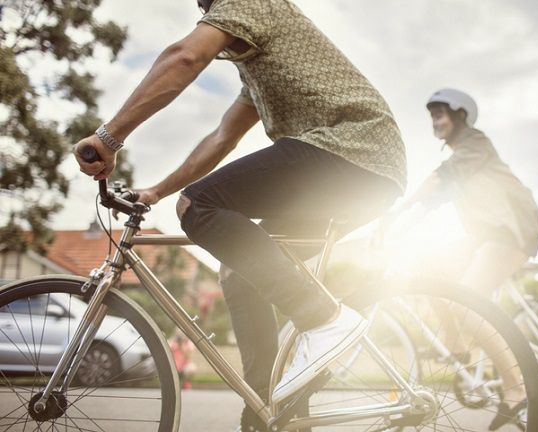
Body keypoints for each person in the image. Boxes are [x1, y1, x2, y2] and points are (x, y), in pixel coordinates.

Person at [74, 1, 406, 430]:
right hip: (361, 170)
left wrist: (109, 137)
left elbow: (185, 57)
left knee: (198, 206)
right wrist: (156, 191)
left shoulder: (252, 2)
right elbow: (221, 138)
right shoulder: (256, 70)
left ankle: (324, 318)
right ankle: (268, 413)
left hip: (352, 152)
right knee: (236, 271)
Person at [400, 88, 538, 430]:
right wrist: (399, 226)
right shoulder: (460, 156)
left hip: (512, 227)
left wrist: (402, 206)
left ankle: (516, 390)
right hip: (487, 235)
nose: (435, 121)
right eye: (432, 116)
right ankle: (458, 348)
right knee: (427, 265)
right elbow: (433, 201)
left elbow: (442, 177)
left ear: (461, 115)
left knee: (467, 303)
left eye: (440, 114)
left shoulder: (475, 144)